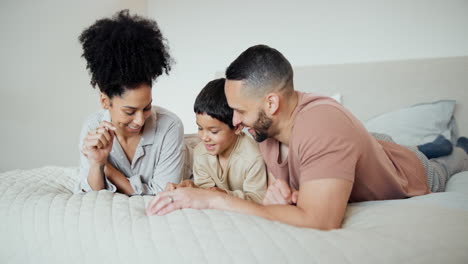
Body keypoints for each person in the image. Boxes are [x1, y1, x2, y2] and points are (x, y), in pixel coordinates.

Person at [146, 45, 468, 229]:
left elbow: (320, 219)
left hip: (410, 170)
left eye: (239, 110)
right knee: (380, 139)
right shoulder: (266, 129)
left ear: (271, 103)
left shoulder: (323, 127)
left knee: (449, 160)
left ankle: (458, 147)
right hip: (370, 146)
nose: (235, 121)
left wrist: (215, 200)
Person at [76, 10, 185, 195]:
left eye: (147, 107)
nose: (140, 120)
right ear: (105, 101)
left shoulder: (170, 127)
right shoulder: (92, 128)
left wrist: (108, 170)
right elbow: (90, 197)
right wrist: (97, 164)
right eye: (129, 111)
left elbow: (163, 193)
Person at [165, 78, 267, 204]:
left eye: (214, 131)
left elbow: (257, 198)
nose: (204, 138)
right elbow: (205, 189)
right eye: (200, 128)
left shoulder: (252, 158)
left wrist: (224, 195)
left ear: (237, 126)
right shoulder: (200, 152)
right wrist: (191, 187)